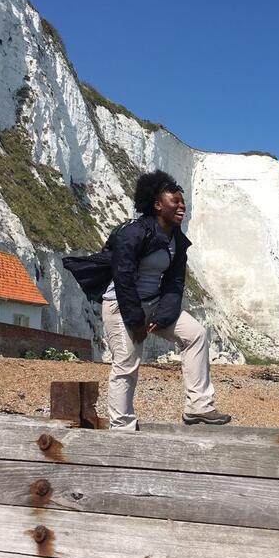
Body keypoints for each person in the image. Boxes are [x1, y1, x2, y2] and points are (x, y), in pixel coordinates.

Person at [101, 170, 231, 430]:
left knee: (195, 333)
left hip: (153, 304)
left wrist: (163, 316)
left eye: (183, 202)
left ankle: (198, 407)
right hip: (121, 306)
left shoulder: (177, 241)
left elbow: (175, 283)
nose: (181, 206)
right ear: (157, 205)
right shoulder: (134, 232)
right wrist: (136, 318)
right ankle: (122, 427)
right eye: (176, 201)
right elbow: (123, 276)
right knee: (126, 363)